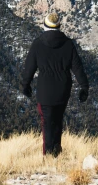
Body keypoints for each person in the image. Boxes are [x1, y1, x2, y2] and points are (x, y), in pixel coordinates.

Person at [20, 12, 89, 157]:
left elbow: (29, 67)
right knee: (57, 120)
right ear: (59, 27)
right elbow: (78, 68)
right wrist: (84, 87)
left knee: (47, 123)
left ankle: (49, 155)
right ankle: (56, 152)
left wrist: (25, 85)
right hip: (63, 90)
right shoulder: (68, 44)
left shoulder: (38, 44)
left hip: (45, 91)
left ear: (44, 26)